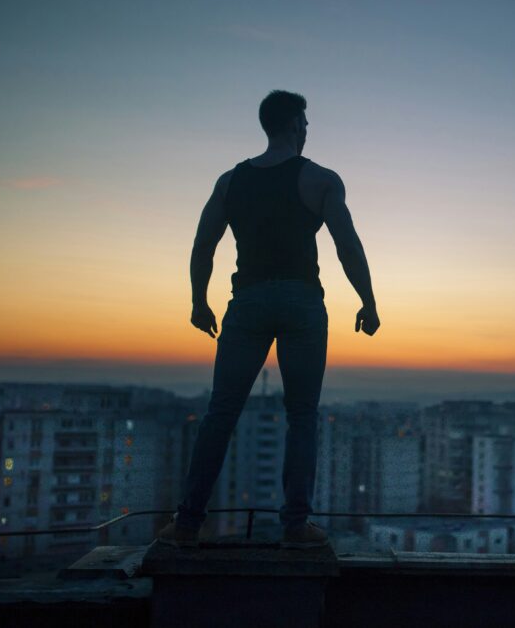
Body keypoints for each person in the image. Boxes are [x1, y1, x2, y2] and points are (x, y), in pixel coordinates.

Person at [156, 89, 379, 549]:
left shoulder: (229, 181)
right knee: (301, 416)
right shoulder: (319, 179)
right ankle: (296, 526)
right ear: (298, 124)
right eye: (306, 123)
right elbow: (347, 245)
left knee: (221, 412)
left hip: (248, 301)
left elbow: (203, 244)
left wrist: (199, 301)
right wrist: (368, 300)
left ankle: (187, 523)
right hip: (301, 303)